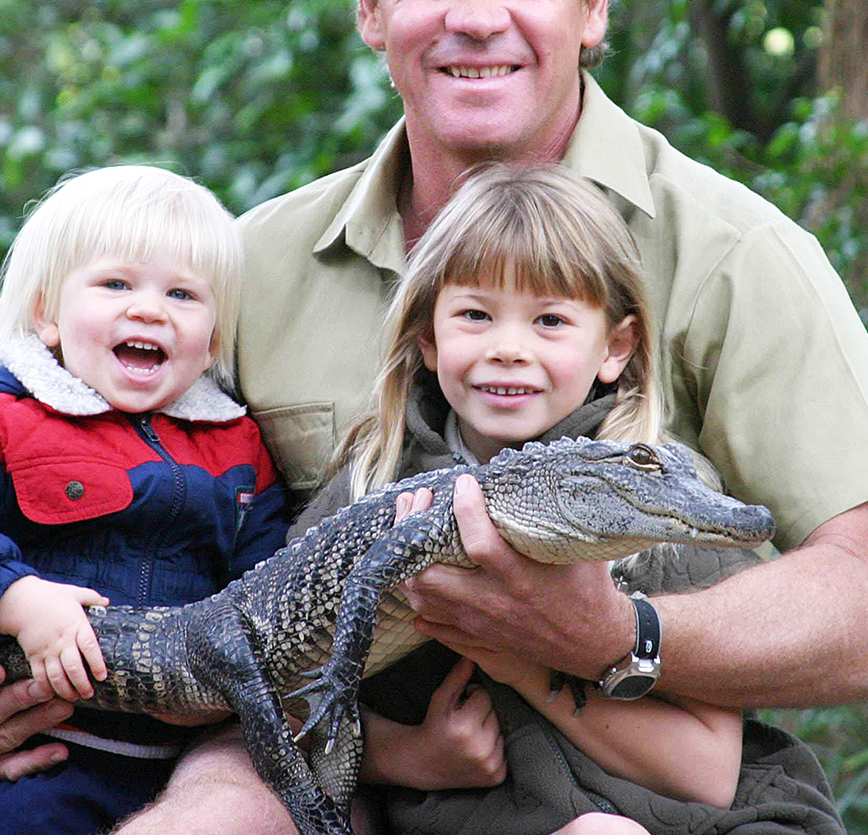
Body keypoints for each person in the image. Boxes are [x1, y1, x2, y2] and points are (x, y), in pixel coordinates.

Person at [0, 0, 868, 835]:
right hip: (329, 744)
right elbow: (77, 500)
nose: (475, 16)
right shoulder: (245, 263)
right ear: (370, 7)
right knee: (210, 805)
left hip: (622, 773)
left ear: (595, 5)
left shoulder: (731, 251)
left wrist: (614, 632)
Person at [301, 162, 752, 834]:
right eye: (476, 315)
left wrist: (520, 659)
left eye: (549, 320)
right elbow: (276, 686)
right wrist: (407, 757)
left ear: (616, 347)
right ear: (429, 337)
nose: (509, 349)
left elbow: (708, 774)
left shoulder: (661, 495)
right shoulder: (372, 480)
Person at [0, 165, 287, 835]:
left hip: (193, 765)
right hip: (45, 761)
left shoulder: (237, 443)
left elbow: (268, 573)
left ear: (212, 340)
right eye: (116, 284)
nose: (149, 309)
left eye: (182, 294)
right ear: (47, 314)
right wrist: (18, 597)